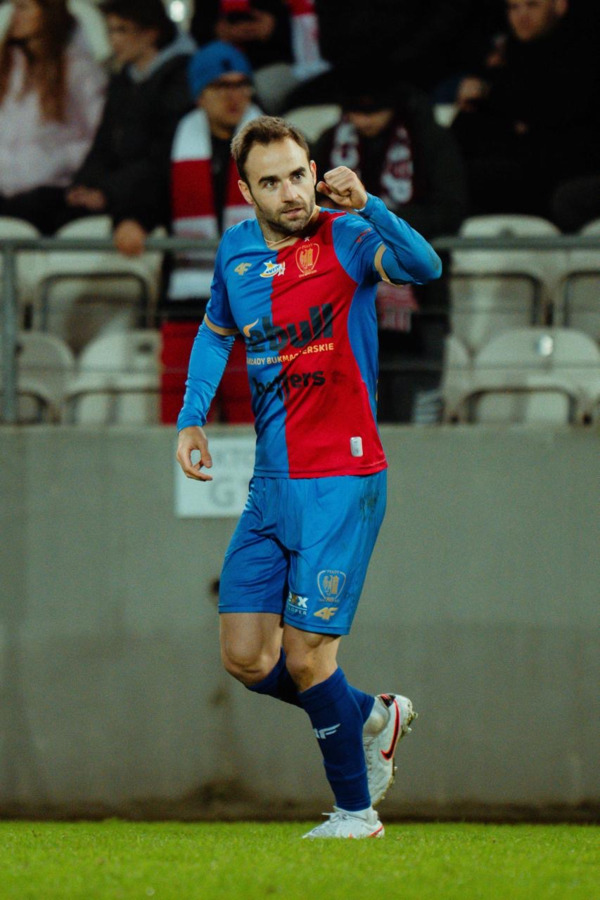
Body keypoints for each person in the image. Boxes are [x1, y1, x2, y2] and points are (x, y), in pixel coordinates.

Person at [176, 116, 442, 838]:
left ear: (314, 170)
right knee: (245, 656)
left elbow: (424, 267)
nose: (290, 192)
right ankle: (373, 716)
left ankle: (355, 813)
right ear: (246, 191)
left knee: (306, 656)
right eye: (271, 182)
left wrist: (371, 205)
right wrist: (191, 418)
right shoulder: (235, 251)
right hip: (271, 483)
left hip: (342, 478)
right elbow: (215, 333)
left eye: (298, 175)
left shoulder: (347, 237)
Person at [313, 81, 468, 422]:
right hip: (346, 300)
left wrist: (376, 217)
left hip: (420, 304)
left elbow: (451, 210)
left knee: (416, 411)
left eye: (375, 110)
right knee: (353, 414)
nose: (366, 120)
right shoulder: (329, 142)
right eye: (357, 111)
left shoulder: (429, 140)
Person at [162, 40, 263, 424]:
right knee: (182, 420)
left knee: (253, 424)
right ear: (200, 95)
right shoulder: (170, 145)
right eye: (221, 86)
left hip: (254, 306)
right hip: (188, 305)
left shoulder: (278, 147)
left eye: (241, 85)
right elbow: (144, 193)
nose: (233, 96)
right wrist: (130, 219)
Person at [65, 0, 195, 256]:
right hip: (115, 190)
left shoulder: (179, 81)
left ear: (151, 33)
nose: (114, 40)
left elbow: (162, 158)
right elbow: (103, 143)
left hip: (151, 200)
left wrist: (107, 191)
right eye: (110, 31)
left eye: (122, 30)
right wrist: (83, 185)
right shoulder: (123, 81)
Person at [451, 0, 600, 219]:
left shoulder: (584, 55)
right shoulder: (506, 60)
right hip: (513, 172)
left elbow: (557, 112)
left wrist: (495, 98)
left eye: (532, 5)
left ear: (560, 6)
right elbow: (467, 124)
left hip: (564, 176)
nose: (521, 16)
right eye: (513, 7)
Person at [0, 0, 106, 234]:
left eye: (23, 7)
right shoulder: (7, 68)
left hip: (50, 193)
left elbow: (100, 134)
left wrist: (57, 160)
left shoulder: (78, 70)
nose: (14, 16)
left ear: (47, 13)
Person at [190, 0, 328, 114]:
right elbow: (198, 30)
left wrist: (272, 28)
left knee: (264, 88)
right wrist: (218, 31)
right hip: (219, 64)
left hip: (269, 64)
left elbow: (302, 36)